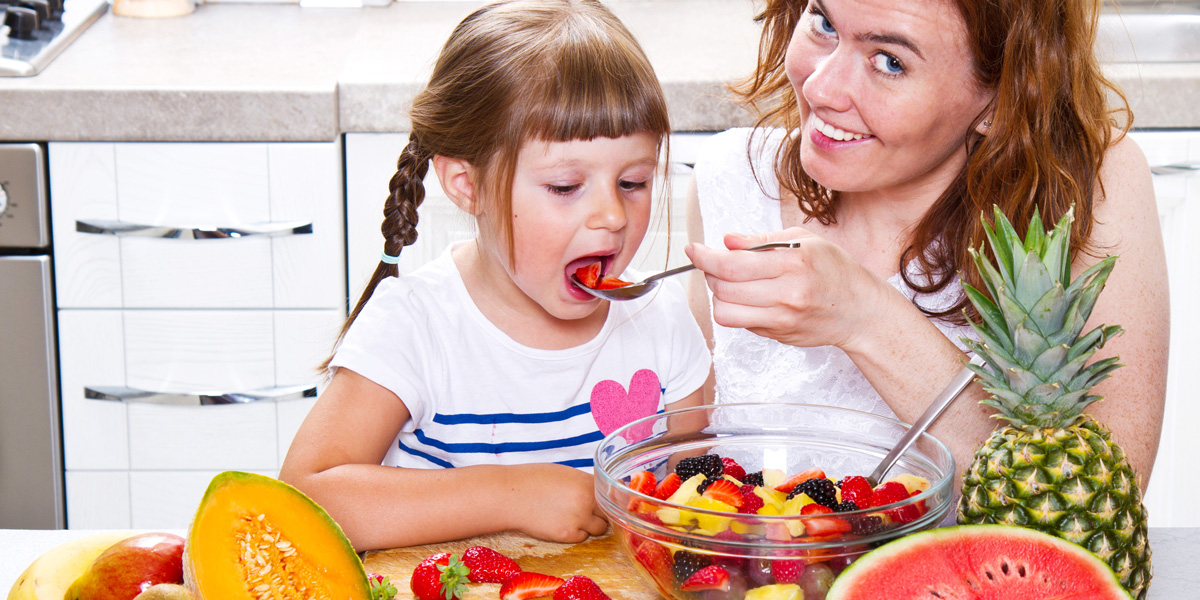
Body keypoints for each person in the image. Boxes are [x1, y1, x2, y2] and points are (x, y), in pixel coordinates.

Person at [279, 0, 710, 552]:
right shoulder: (414, 326)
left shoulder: (661, 317)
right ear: (466, 184)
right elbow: (303, 500)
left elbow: (700, 492)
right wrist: (511, 495)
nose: (613, 216)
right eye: (564, 187)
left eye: (633, 182)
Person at [684, 0, 1168, 492]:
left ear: (1001, 101)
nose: (820, 88)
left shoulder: (1091, 189)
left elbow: (1097, 507)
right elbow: (683, 465)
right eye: (824, 23)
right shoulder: (731, 179)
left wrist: (865, 314)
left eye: (890, 61)